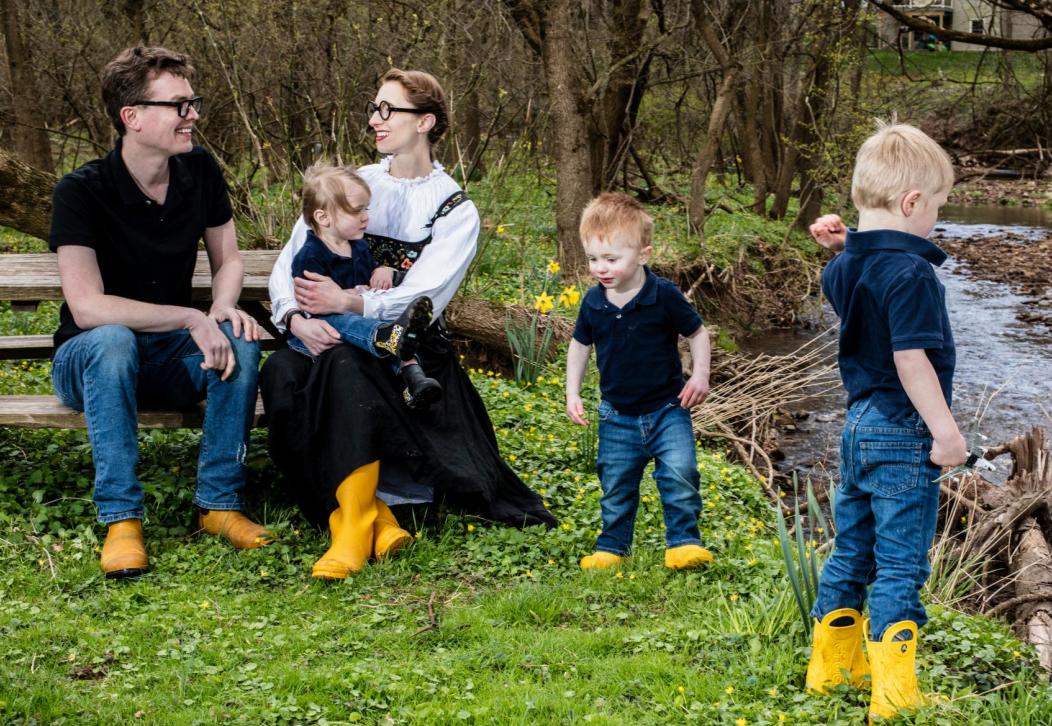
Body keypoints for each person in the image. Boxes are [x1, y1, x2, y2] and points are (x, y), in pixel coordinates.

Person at [260, 68, 555, 582]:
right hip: (321, 330)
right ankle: (371, 514)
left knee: (346, 366)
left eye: (387, 110)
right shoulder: (353, 184)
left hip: (407, 350)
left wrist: (350, 303)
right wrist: (293, 318)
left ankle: (352, 525)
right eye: (374, 108)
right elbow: (289, 262)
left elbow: (425, 298)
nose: (375, 120)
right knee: (281, 371)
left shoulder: (453, 208)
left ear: (425, 122)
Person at [48, 46, 271, 579]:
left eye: (193, 102)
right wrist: (190, 318)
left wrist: (219, 309)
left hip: (169, 359)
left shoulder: (200, 171)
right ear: (133, 117)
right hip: (89, 361)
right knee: (113, 340)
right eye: (179, 104)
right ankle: (122, 520)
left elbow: (230, 261)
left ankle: (218, 505)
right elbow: (86, 307)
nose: (192, 114)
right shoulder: (81, 191)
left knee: (239, 338)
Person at [803, 120, 967, 720]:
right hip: (902, 429)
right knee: (900, 564)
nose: (936, 222)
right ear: (911, 202)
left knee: (850, 552)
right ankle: (895, 696)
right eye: (937, 209)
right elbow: (910, 356)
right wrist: (946, 432)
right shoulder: (913, 273)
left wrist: (843, 246)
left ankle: (830, 671)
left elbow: (848, 279)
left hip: (856, 430)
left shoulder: (845, 265)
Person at [565, 192, 714, 572]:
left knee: (680, 475)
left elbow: (697, 334)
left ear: (643, 254)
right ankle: (612, 548)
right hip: (617, 415)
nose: (601, 268)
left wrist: (699, 375)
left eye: (612, 259)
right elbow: (580, 346)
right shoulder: (593, 303)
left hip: (668, 410)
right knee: (616, 485)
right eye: (594, 259)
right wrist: (573, 392)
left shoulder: (662, 295)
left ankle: (683, 544)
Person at [287, 163, 442, 409]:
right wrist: (343, 296)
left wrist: (383, 270)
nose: (366, 217)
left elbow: (368, 280)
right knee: (356, 324)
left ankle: (413, 380)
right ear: (323, 217)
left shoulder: (357, 246)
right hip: (319, 331)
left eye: (366, 209)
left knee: (395, 337)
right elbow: (309, 305)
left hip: (359, 327)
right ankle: (386, 337)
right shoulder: (310, 256)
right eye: (357, 211)